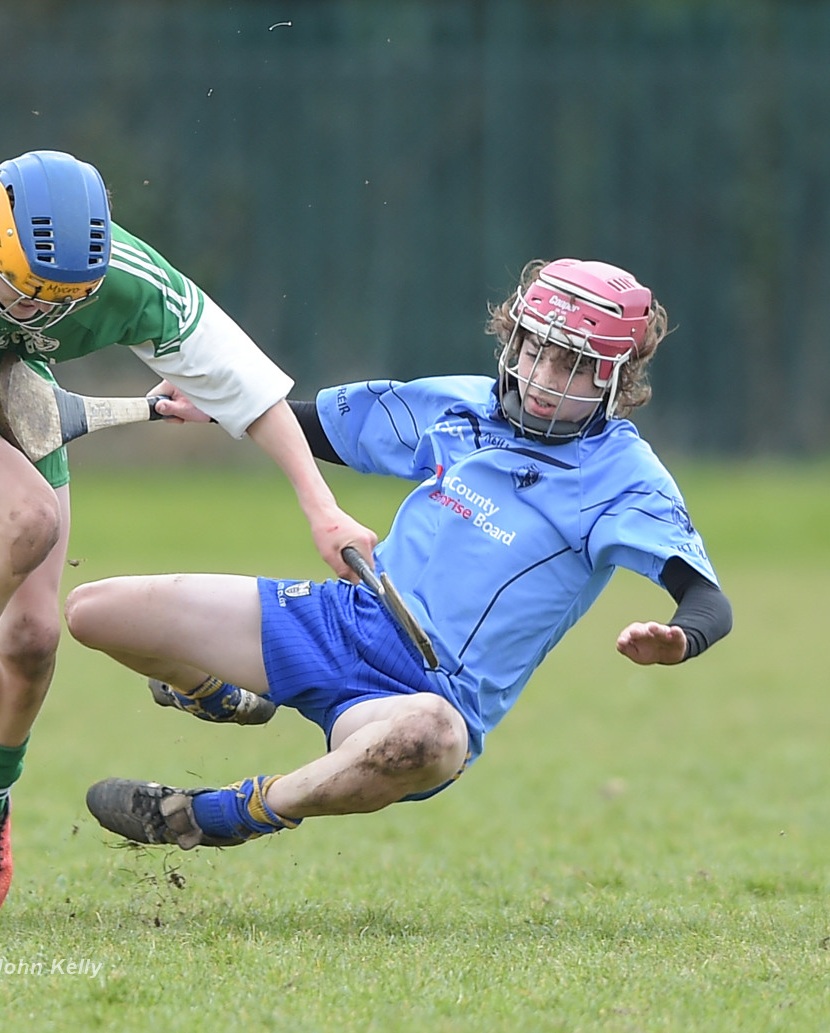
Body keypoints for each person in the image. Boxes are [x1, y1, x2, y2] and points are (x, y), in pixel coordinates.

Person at [0, 149, 376, 918]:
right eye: (20, 292)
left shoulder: (127, 276)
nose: (34, 313)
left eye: (57, 303)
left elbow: (245, 386)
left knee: (31, 641)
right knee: (30, 515)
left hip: (22, 395)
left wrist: (321, 506)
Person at [66, 258, 733, 852]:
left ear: (617, 379)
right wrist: (219, 408)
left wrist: (680, 638)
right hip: (338, 617)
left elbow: (708, 599)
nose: (541, 376)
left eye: (571, 363)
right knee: (93, 612)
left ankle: (220, 813)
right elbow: (323, 426)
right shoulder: (465, 406)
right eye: (534, 349)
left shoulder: (624, 477)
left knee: (434, 739)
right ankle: (223, 695)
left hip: (421, 695)